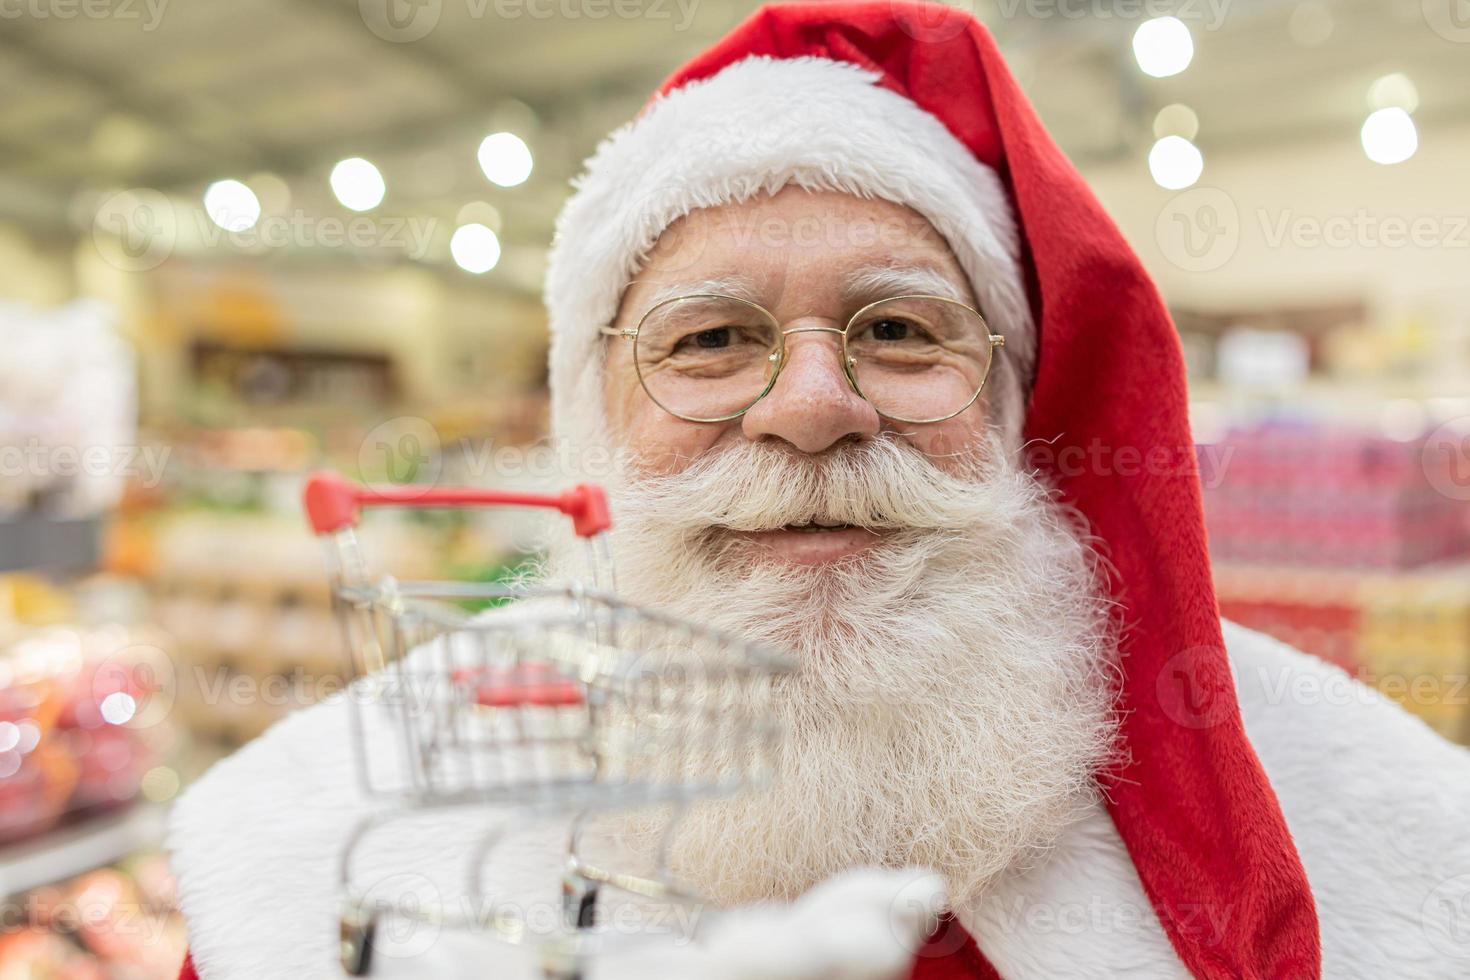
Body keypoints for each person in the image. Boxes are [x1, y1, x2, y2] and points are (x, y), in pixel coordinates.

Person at [170, 3, 1470, 977]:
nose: (808, 408)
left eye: (899, 332)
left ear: (1012, 409)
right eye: (707, 340)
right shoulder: (307, 861)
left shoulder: (1381, 824)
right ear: (595, 429)